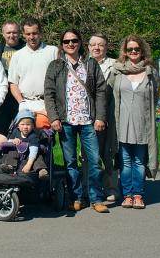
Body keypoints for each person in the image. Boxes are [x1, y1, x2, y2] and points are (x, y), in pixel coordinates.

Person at [44, 29, 109, 213]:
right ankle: (76, 197)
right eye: (66, 41)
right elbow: (49, 93)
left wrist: (100, 117)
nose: (70, 44)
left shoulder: (90, 64)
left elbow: (101, 91)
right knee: (70, 162)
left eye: (74, 41)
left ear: (80, 43)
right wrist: (54, 117)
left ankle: (96, 198)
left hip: (89, 120)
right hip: (66, 121)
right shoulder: (55, 66)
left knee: (95, 161)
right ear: (62, 44)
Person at [107, 35, 159, 209]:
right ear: (125, 51)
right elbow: (109, 94)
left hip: (142, 124)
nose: (134, 52)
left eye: (137, 49)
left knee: (139, 161)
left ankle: (138, 194)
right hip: (121, 123)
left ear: (142, 50)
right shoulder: (117, 71)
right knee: (125, 162)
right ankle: (127, 195)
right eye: (130, 49)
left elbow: (155, 97)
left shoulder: (150, 72)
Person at [80, 33, 118, 202]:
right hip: (87, 115)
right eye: (93, 45)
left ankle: (110, 188)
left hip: (109, 114)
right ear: (88, 47)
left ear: (106, 47)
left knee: (108, 152)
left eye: (101, 45)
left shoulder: (115, 66)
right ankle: (88, 188)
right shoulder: (81, 64)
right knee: (88, 155)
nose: (97, 48)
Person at [9, 17, 58, 115]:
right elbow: (13, 83)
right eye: (28, 34)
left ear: (40, 33)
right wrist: (21, 102)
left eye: (34, 33)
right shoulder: (17, 56)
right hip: (26, 104)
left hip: (49, 104)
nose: (31, 37)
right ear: (23, 35)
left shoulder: (53, 51)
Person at [0, 21, 25, 135]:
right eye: (8, 32)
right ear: (3, 34)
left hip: (21, 96)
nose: (12, 35)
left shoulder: (27, 49)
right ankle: (2, 153)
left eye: (15, 32)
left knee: (22, 129)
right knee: (1, 130)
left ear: (19, 33)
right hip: (3, 98)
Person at [5, 110, 48, 179]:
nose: (25, 127)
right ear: (18, 126)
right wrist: (13, 140)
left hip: (30, 156)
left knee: (38, 157)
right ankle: (10, 166)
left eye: (28, 124)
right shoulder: (16, 132)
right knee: (11, 152)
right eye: (22, 124)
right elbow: (8, 141)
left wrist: (28, 165)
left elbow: (34, 151)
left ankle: (41, 170)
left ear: (33, 126)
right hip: (18, 154)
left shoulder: (33, 136)